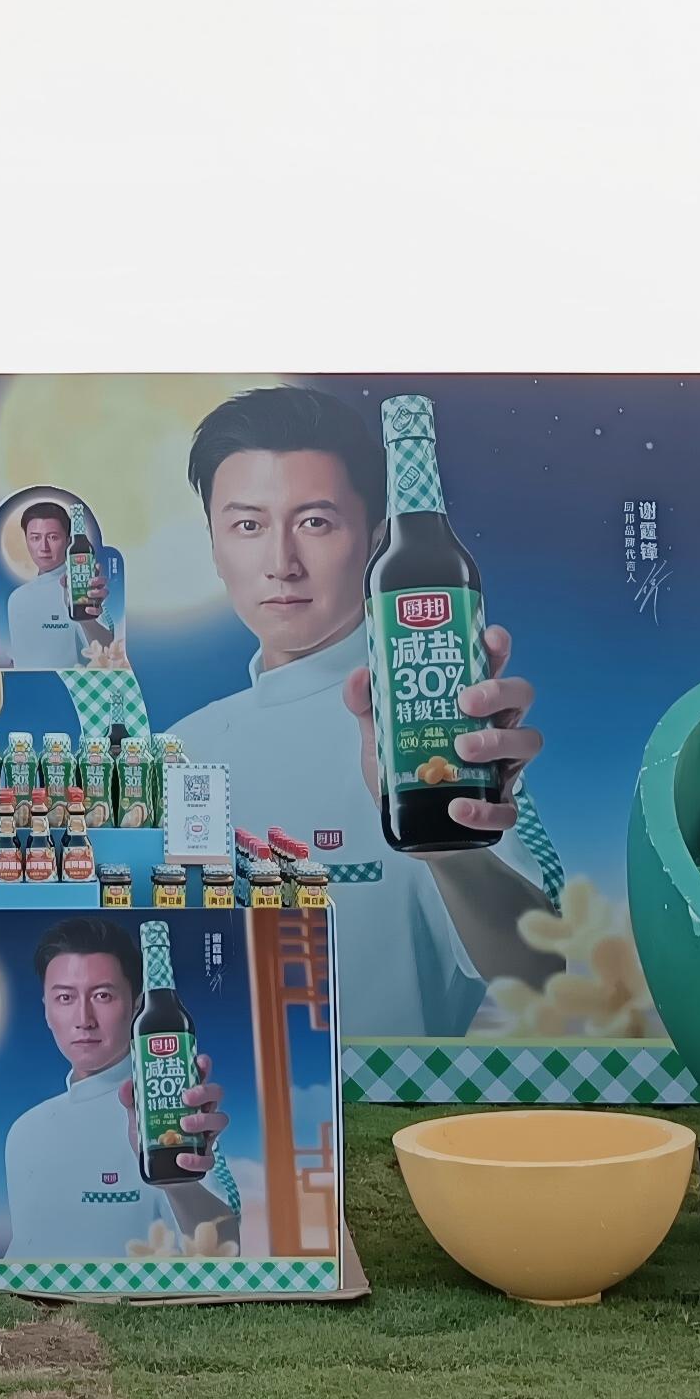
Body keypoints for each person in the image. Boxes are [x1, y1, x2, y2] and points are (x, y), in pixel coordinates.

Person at [151, 386, 561, 1038]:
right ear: (214, 547)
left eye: (315, 523)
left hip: (390, 1097)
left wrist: (449, 849)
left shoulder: (435, 721)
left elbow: (542, 972)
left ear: (375, 543)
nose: (281, 565)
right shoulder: (178, 748)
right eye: (248, 526)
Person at [1, 917, 230, 1257]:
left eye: (103, 995)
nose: (84, 1019)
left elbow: (227, 1245)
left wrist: (178, 1184)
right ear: (46, 1010)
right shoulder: (23, 1131)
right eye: (64, 997)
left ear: (136, 1005)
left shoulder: (173, 1108)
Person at [0, 499, 121, 670]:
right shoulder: (15, 598)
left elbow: (109, 651)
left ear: (69, 541)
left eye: (53, 537)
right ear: (26, 540)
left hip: (69, 685)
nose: (44, 547)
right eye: (35, 538)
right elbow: (18, 659)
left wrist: (87, 620)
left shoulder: (86, 587)